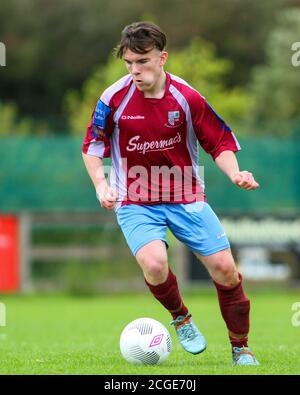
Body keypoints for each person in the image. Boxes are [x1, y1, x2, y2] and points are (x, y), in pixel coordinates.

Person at [82, 21, 260, 366]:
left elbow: (218, 141)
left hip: (186, 196)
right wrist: (102, 184)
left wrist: (235, 172)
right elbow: (93, 145)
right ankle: (181, 318)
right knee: (154, 263)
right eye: (129, 63)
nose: (135, 70)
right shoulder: (113, 98)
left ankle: (241, 348)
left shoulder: (187, 97)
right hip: (135, 200)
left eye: (143, 61)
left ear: (162, 58)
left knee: (225, 268)